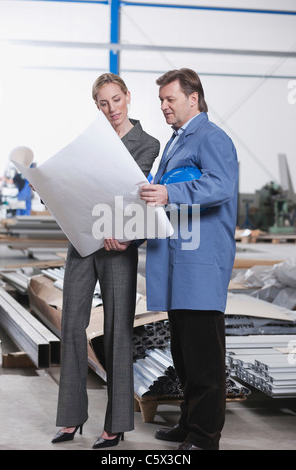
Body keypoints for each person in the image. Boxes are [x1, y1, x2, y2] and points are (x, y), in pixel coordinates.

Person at [51, 73, 160, 449]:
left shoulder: (148, 143)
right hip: (83, 241)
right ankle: (70, 419)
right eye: (103, 103)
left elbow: (134, 191)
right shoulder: (90, 140)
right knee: (72, 328)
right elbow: (75, 184)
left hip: (118, 246)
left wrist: (123, 229)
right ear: (96, 106)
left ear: (128, 97)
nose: (111, 108)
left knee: (117, 334)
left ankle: (115, 425)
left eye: (116, 99)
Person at [140, 68, 238, 450]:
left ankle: (205, 434)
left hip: (200, 262)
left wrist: (167, 193)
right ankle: (188, 422)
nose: (164, 106)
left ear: (193, 98)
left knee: (204, 358)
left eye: (170, 99)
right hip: (177, 262)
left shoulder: (212, 137)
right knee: (183, 352)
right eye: (161, 100)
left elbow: (220, 185)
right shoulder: (175, 142)